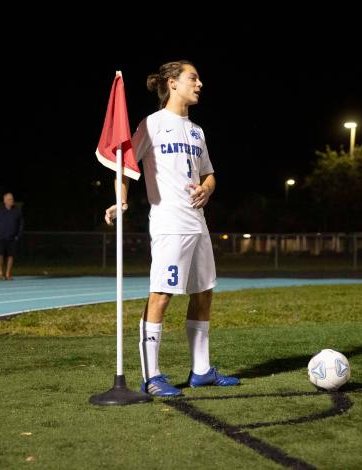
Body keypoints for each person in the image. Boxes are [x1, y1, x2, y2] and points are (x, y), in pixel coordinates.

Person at [105, 60, 239, 397]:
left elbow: (210, 174)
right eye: (193, 78)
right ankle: (152, 376)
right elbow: (124, 167)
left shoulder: (197, 131)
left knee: (204, 293)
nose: (200, 84)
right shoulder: (152, 124)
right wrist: (121, 201)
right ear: (172, 82)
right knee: (161, 295)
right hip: (169, 225)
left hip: (198, 225)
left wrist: (207, 188)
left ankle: (202, 371)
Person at [0, 192, 24, 280]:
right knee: (0, 254)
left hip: (12, 237)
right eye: (10, 199)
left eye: (12, 199)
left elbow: (21, 224)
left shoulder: (17, 211)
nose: (12, 201)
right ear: (5, 201)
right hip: (0, 236)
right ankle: (0, 272)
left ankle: (8, 274)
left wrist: (18, 235)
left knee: (11, 256)